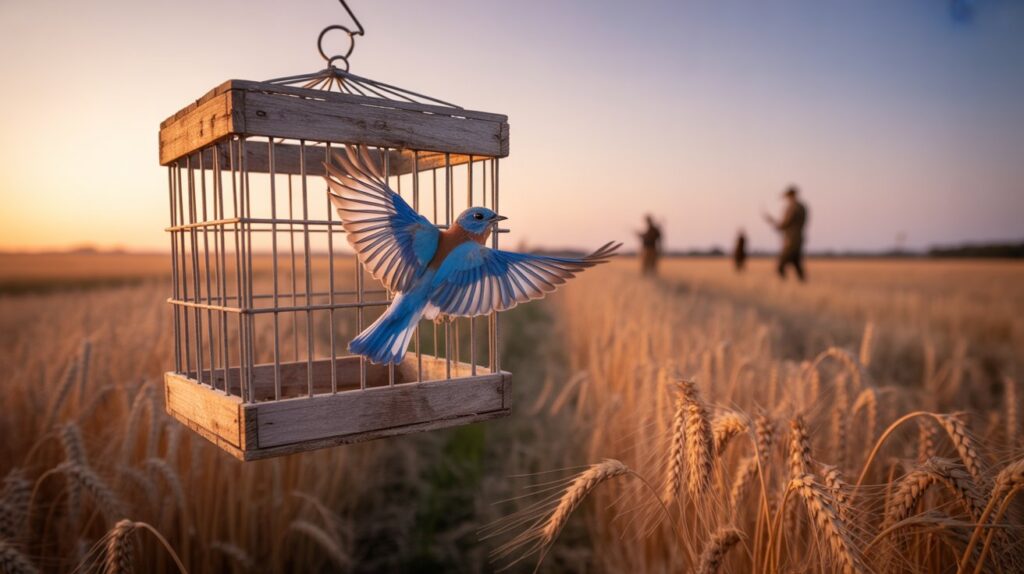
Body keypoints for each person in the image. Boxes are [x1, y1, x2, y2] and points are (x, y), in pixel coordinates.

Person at [764, 186, 808, 281]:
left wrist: (772, 221)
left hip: (790, 241)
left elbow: (784, 224)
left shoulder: (792, 207)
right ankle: (802, 285)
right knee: (797, 265)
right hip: (799, 239)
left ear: (790, 195)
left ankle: (784, 285)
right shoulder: (802, 207)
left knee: (780, 266)